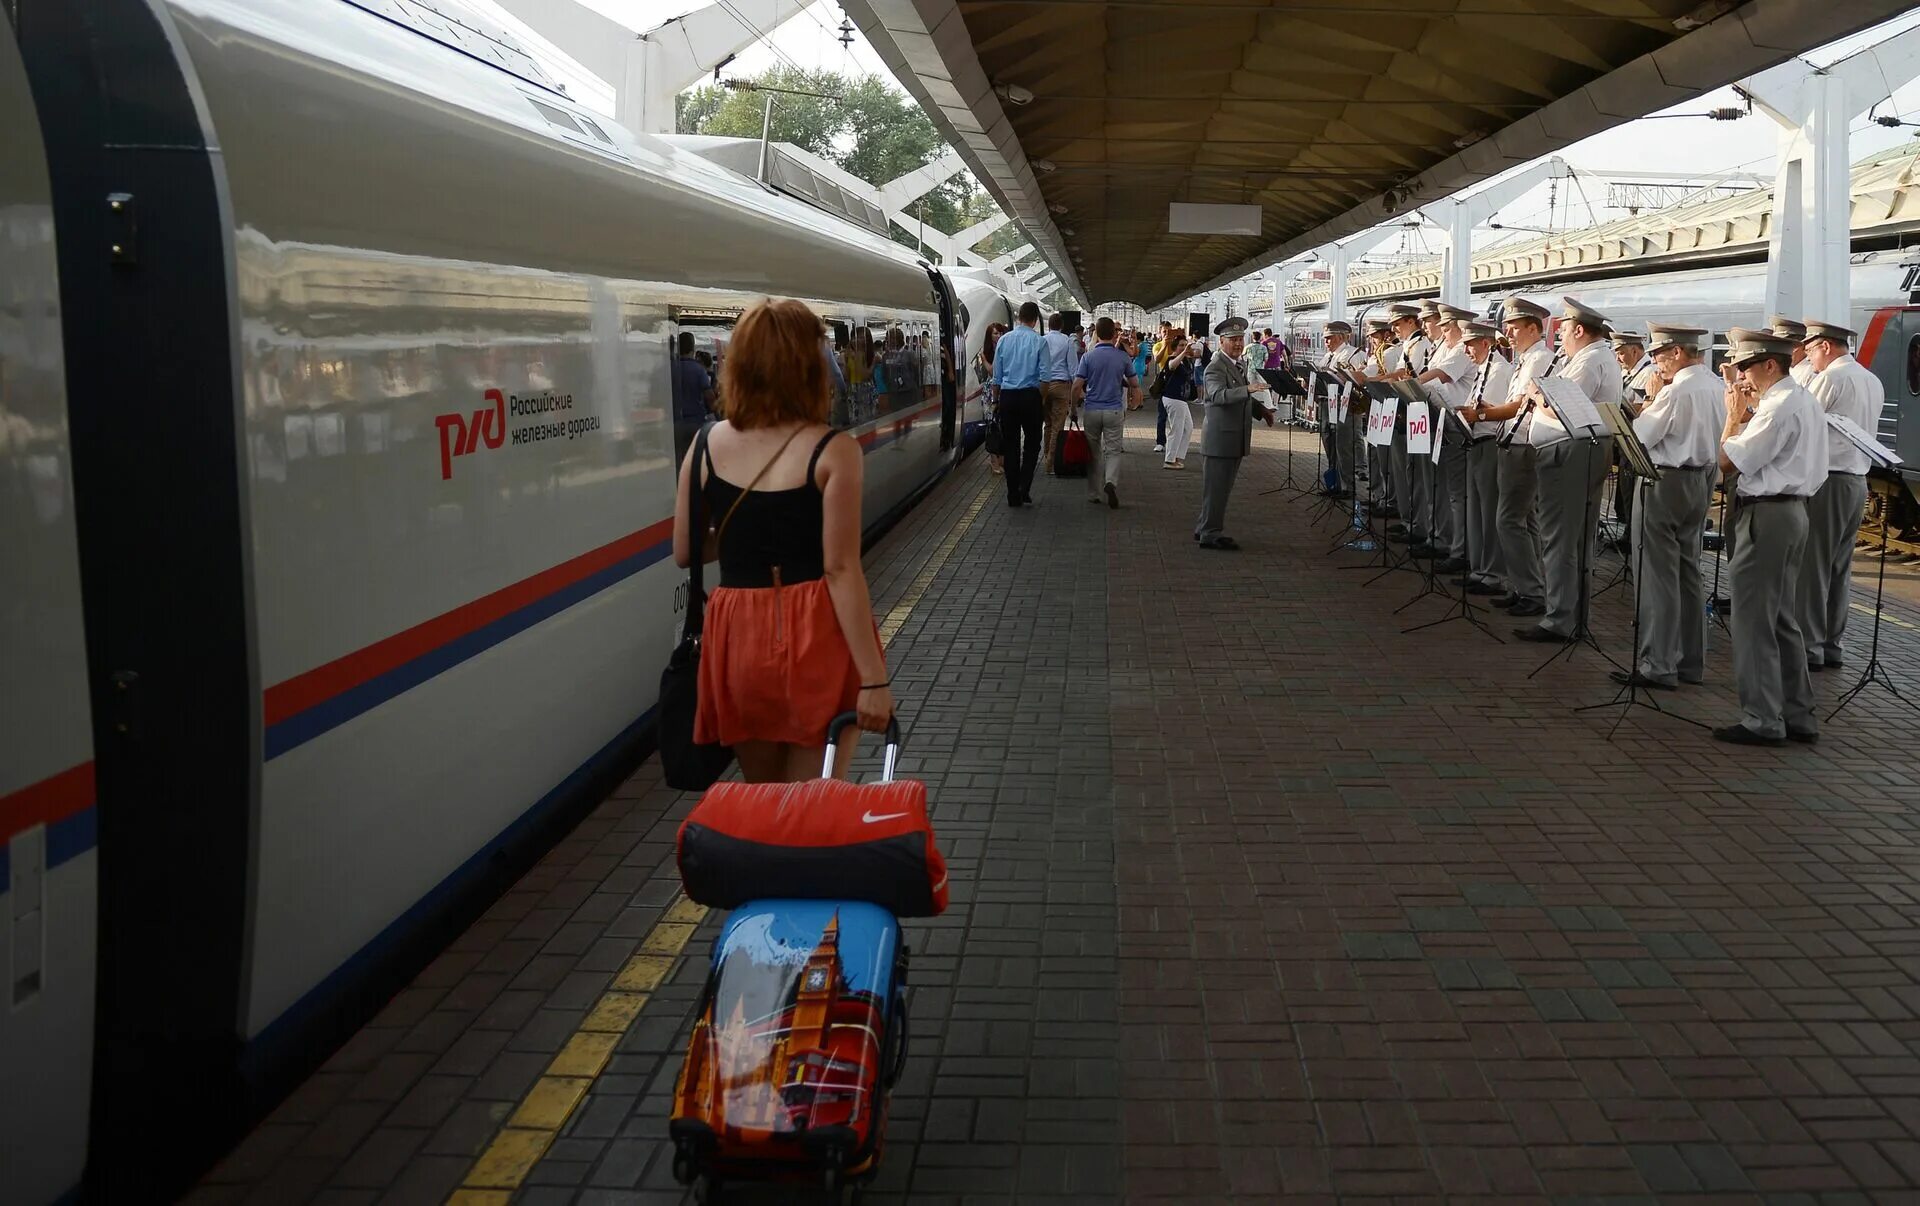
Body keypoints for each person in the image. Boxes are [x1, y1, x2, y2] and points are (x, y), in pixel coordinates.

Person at [673, 298, 892, 782]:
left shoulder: (705, 444)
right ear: (809, 368)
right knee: (811, 809)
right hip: (814, 628)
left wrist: (745, 535)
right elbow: (839, 569)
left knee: (766, 803)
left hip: (738, 637)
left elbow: (686, 552)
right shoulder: (835, 450)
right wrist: (874, 677)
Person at [1713, 327, 1827, 746]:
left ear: (1770, 364)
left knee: (1754, 620)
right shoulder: (1802, 400)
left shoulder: (1777, 407)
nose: (1741, 375)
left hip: (1768, 517)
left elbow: (1728, 462)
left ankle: (1762, 719)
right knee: (1782, 619)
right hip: (1793, 514)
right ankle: (1799, 714)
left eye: (1746, 366)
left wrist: (1731, 415)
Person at [1610, 324, 1720, 691]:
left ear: (1677, 353)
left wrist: (1651, 403)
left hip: (1666, 479)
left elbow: (1640, 438)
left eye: (1659, 354)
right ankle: (1692, 661)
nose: (1654, 361)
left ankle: (1658, 663)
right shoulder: (1713, 385)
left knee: (1656, 573)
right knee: (1689, 571)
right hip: (1701, 479)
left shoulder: (1675, 391)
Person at [1515, 296, 1621, 643]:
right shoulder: (1593, 358)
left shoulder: (1588, 362)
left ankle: (1560, 618)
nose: (1559, 340)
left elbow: (1562, 409)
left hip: (1570, 452)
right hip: (1579, 451)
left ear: (1578, 330)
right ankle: (1572, 615)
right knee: (1573, 538)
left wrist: (1537, 394)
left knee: (1560, 537)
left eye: (1562, 333)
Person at [1799, 319, 1884, 671]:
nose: (1808, 358)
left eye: (1809, 350)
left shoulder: (1830, 379)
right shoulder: (1871, 379)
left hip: (1829, 480)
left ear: (1825, 346)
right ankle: (1833, 644)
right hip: (1856, 482)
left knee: (1814, 567)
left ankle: (1810, 647)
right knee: (1839, 568)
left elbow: (1805, 423)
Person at [1473, 296, 1555, 619]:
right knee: (1525, 521)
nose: (1507, 331)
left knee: (1507, 520)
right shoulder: (1526, 358)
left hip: (1522, 447)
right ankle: (1526, 587)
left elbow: (1521, 404)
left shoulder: (1539, 359)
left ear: (1533, 328)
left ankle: (1531, 591)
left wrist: (1482, 416)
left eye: (1514, 326)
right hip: (1513, 444)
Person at [1194, 317, 1275, 550]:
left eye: (1241, 339)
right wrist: (1248, 388)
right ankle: (1210, 533)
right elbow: (1218, 395)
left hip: (1231, 439)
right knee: (1216, 489)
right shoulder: (1215, 367)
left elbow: (1242, 397)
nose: (1238, 344)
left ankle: (1204, 527)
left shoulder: (1234, 364)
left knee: (1219, 489)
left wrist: (1261, 411)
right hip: (1220, 440)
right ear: (1221, 341)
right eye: (1233, 340)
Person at [1457, 321, 1513, 596]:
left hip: (1489, 442)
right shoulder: (1483, 370)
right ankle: (1479, 568)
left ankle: (1492, 573)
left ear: (1485, 344)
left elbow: (1492, 411)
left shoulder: (1500, 371)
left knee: (1489, 510)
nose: (1466, 350)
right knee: (1476, 510)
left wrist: (1474, 413)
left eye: (1470, 344)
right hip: (1475, 441)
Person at [1073, 316, 1136, 509]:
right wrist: (1135, 398)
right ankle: (1110, 481)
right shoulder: (1122, 357)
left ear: (1096, 333)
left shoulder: (1088, 356)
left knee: (1093, 453)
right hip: (1114, 411)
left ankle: (1094, 493)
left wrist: (1072, 408)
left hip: (1092, 410)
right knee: (1113, 450)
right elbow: (1134, 383)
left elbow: (1077, 386)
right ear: (1114, 334)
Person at [993, 302, 1046, 507]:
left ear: (1018, 318)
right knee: (1032, 444)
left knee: (1011, 446)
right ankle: (1024, 486)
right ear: (1035, 320)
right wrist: (1040, 400)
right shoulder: (1039, 342)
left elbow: (997, 377)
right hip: (1030, 396)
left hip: (1008, 397)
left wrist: (996, 401)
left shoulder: (1004, 340)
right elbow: (1045, 378)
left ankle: (1012, 493)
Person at [1040, 313, 1079, 473]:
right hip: (1060, 386)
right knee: (1058, 426)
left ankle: (1046, 454)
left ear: (1049, 325)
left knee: (1048, 424)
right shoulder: (1067, 341)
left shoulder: (1042, 340)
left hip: (1043, 386)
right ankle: (1051, 461)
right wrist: (1077, 390)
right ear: (1062, 326)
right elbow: (1073, 368)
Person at [671, 331, 716, 465]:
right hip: (696, 423)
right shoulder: (699, 370)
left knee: (677, 460)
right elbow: (710, 397)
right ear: (693, 347)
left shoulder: (670, 369)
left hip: (675, 424)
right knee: (697, 460)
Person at [1159, 333, 1202, 469]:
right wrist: (1183, 353)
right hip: (1173, 398)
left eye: (1185, 345)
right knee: (1176, 429)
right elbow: (1171, 366)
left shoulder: (1185, 361)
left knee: (1187, 428)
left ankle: (1178, 456)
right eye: (1181, 346)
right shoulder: (1172, 358)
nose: (1184, 347)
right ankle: (1169, 459)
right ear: (1175, 348)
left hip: (1181, 399)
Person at [977, 322, 1006, 476]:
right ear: (989, 336)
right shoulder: (987, 351)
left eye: (1000, 333)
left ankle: (1001, 457)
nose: (998, 336)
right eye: (995, 333)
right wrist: (983, 357)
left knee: (1002, 424)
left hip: (1003, 389)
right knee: (992, 425)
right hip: (991, 392)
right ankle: (994, 460)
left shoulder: (1004, 348)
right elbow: (991, 371)